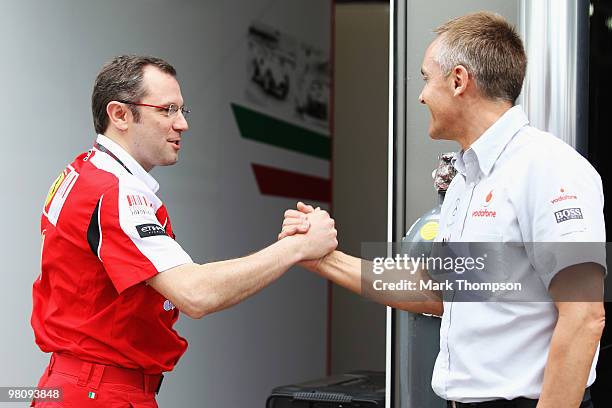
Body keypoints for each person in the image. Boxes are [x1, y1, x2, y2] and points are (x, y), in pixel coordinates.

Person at [280, 12, 605, 408]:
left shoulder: (550, 167)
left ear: (458, 80)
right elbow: (440, 288)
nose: (419, 95)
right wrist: (323, 259)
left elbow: (585, 316)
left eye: (424, 78)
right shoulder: (466, 179)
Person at [31, 55, 337, 407]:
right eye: (167, 110)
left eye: (182, 111)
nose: (182, 124)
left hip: (77, 384)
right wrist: (296, 249)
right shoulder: (114, 191)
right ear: (119, 115)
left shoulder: (85, 171)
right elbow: (195, 293)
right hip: (98, 393)